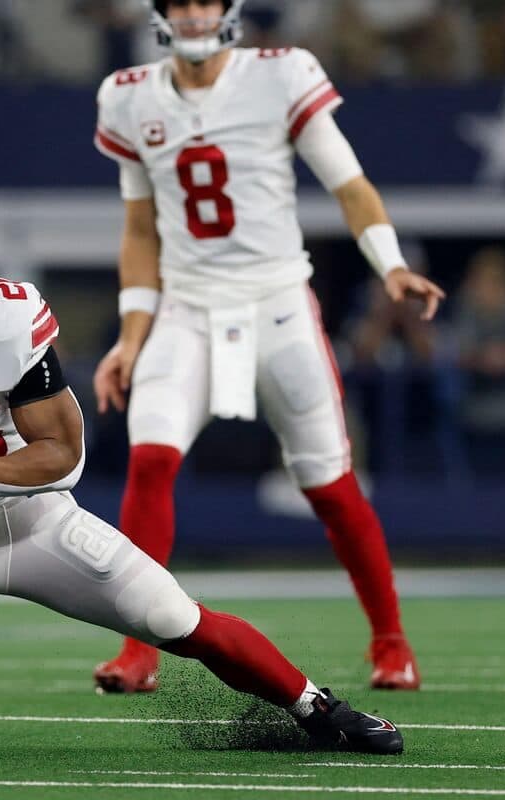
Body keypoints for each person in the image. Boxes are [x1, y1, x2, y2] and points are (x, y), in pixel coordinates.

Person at [0, 167, 403, 759]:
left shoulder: (5, 318)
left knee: (175, 619)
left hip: (26, 520)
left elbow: (62, 454)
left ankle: (318, 709)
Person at [90, 0, 446, 694]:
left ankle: (392, 642)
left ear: (229, 10)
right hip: (188, 305)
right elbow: (140, 230)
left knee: (331, 486)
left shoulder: (280, 75)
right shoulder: (127, 96)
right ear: (160, 14)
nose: (193, 14)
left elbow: (349, 184)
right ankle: (137, 650)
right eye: (180, 2)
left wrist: (390, 264)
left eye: (205, 1)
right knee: (152, 459)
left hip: (277, 302)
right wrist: (132, 336)